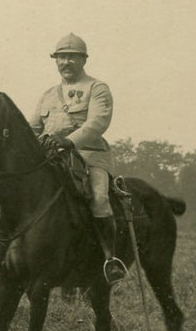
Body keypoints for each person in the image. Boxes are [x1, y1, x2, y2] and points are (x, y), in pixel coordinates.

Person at [28, 33, 127, 283]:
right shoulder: (48, 94)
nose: (66, 63)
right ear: (56, 61)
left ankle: (109, 259)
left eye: (72, 57)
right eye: (62, 57)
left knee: (99, 198)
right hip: (52, 157)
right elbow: (34, 128)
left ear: (83, 60)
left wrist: (69, 141)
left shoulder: (97, 88)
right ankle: (18, 260)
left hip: (90, 156)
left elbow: (97, 123)